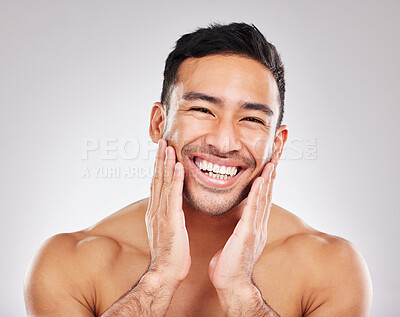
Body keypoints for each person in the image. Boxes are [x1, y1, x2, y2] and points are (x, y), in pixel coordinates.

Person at [24, 22, 373, 316]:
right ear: (159, 123)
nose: (224, 142)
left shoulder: (332, 270)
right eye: (203, 110)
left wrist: (240, 293)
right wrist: (158, 280)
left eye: (251, 119)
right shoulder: (67, 264)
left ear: (277, 145)